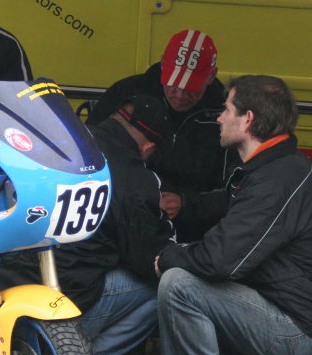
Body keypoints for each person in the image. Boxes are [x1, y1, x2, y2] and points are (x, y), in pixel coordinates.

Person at [145, 74, 312, 355]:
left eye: (226, 109)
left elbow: (220, 261)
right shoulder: (273, 167)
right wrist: (187, 204)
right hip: (281, 315)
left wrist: (168, 257)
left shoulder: (278, 179)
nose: (219, 118)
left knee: (178, 285)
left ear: (247, 120)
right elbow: (230, 207)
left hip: (294, 328)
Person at [0, 96, 176, 355]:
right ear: (148, 149)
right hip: (62, 301)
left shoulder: (61, 139)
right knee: (167, 285)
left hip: (2, 290)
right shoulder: (133, 177)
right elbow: (148, 258)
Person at [89, 29, 229, 240]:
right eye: (173, 83)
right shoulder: (126, 92)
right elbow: (89, 152)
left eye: (191, 88)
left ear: (211, 76)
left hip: (192, 232)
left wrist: (187, 204)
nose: (180, 95)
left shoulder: (226, 112)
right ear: (163, 64)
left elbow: (237, 191)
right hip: (122, 220)